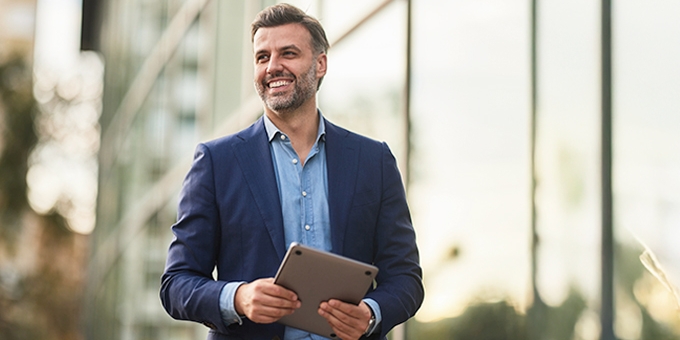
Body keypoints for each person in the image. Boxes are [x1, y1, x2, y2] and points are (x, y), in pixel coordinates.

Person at [160, 3, 423, 340]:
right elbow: (176, 283)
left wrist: (371, 314)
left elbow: (406, 277)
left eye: (288, 53)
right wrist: (238, 298)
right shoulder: (215, 161)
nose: (273, 67)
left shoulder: (373, 160)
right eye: (261, 57)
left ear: (320, 63)